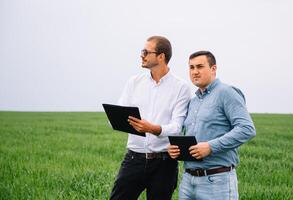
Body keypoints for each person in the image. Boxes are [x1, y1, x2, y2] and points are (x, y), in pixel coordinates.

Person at [109, 36, 191, 200]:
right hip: (133, 158)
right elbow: (120, 112)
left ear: (161, 56)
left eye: (146, 52)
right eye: (142, 51)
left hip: (164, 163)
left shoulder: (181, 87)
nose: (142, 55)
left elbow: (176, 127)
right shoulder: (134, 82)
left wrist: (152, 128)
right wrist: (115, 118)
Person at [168, 50, 256, 200]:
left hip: (217, 181)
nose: (195, 72)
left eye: (200, 66)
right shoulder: (193, 101)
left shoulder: (227, 93)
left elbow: (247, 129)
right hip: (188, 180)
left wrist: (210, 147)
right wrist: (177, 150)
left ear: (213, 68)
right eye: (191, 67)